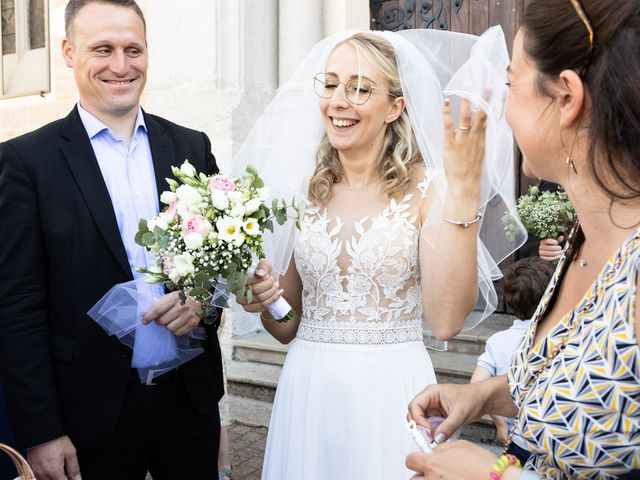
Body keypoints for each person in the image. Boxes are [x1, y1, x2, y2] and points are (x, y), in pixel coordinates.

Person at [234, 27, 523, 479]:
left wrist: (462, 193)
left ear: (395, 107)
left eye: (360, 88)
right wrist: (265, 298)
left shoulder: (430, 190)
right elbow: (288, 324)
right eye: (330, 84)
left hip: (392, 390)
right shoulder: (301, 193)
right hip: (307, 388)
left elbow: (447, 321)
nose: (339, 101)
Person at [407, 0, 640, 478]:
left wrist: (496, 475)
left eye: (511, 83)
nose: (501, 106)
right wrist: (482, 395)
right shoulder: (584, 236)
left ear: (567, 97)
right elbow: (586, 385)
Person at [0, 1, 224, 479]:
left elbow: (225, 264)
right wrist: (40, 430)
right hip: (86, 415)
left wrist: (203, 302)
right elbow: (17, 304)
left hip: (188, 404)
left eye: (133, 49)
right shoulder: (25, 163)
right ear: (67, 52)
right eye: (103, 49)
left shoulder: (191, 147)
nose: (121, 66)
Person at [470, 257, 555, 465]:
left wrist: (500, 423)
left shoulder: (498, 341)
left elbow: (477, 387)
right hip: (552, 445)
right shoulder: (557, 337)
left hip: (516, 443)